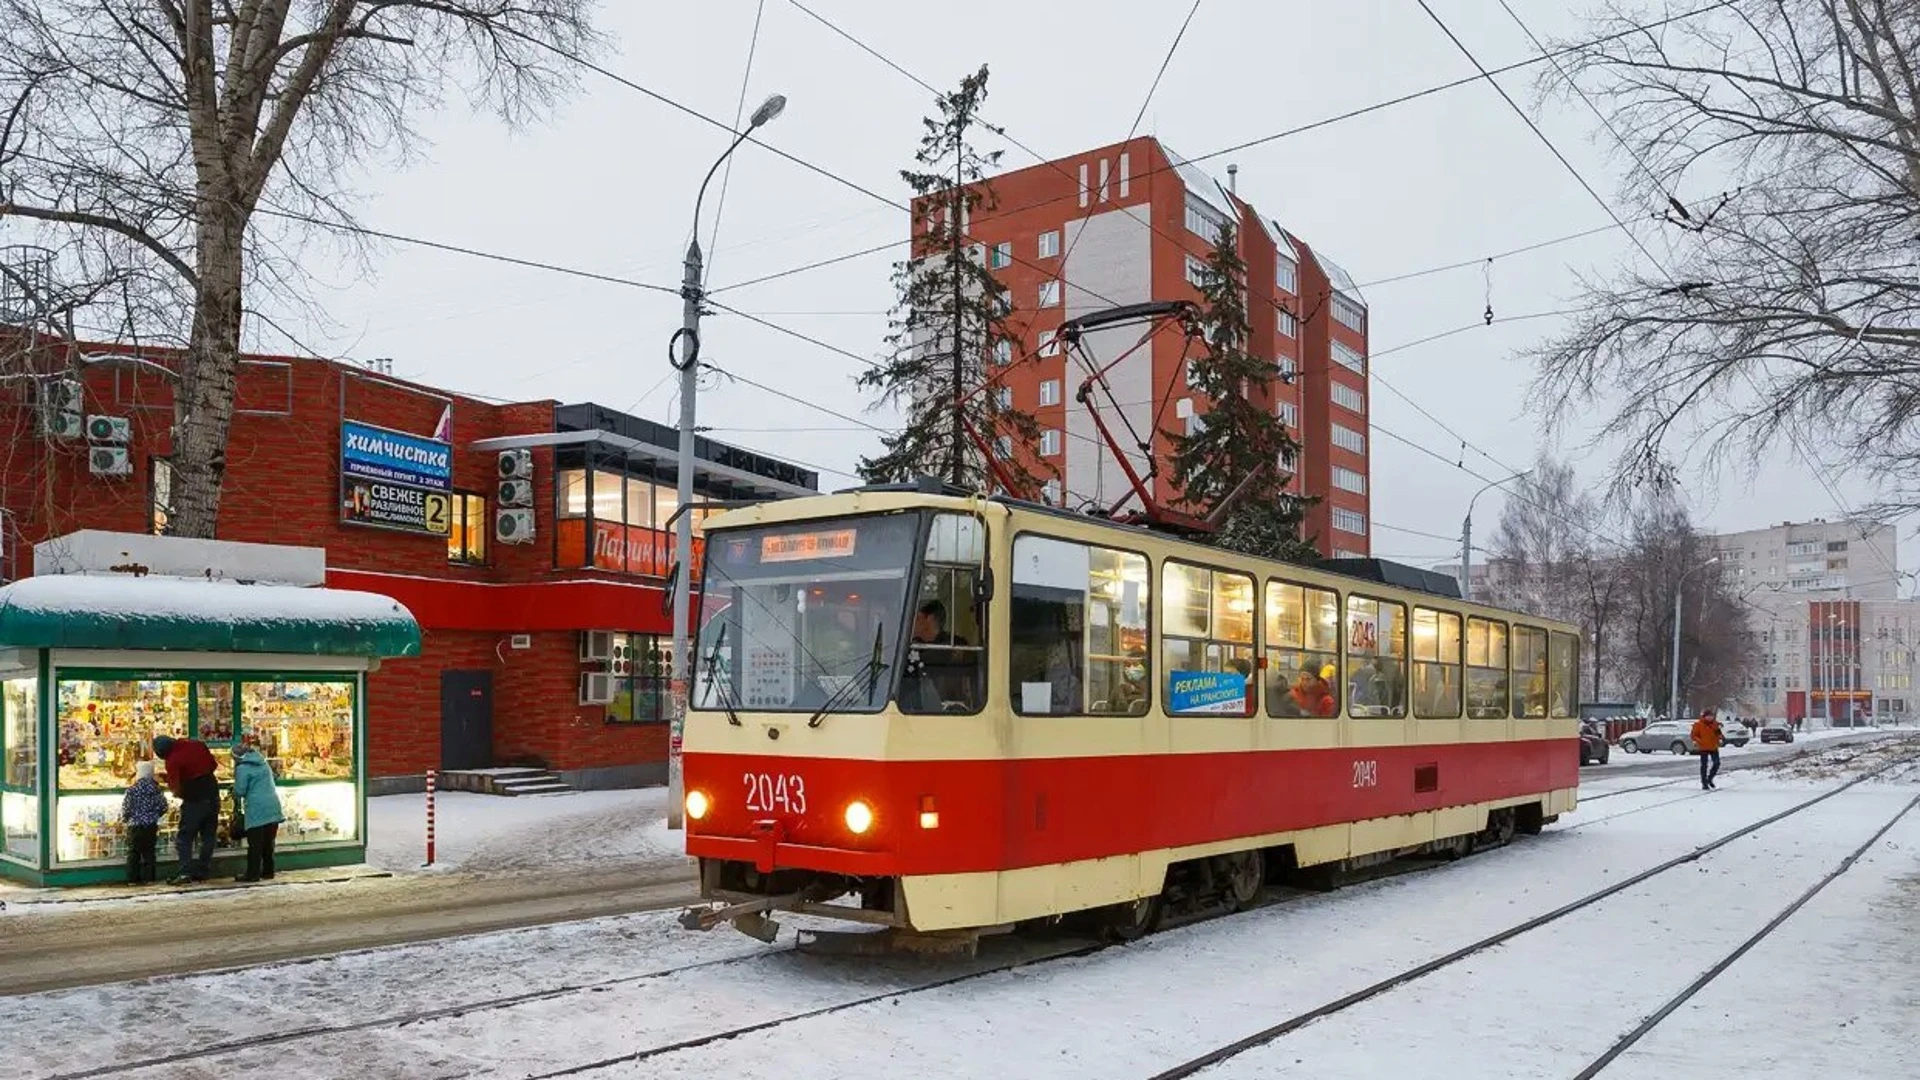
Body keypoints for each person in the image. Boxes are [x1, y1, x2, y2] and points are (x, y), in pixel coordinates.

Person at [151, 734, 219, 883]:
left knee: (185, 837)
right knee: (208, 836)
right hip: (212, 792)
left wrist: (168, 781)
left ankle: (185, 872)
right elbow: (213, 765)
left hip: (194, 799)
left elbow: (175, 788)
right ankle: (203, 871)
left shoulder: (172, 759)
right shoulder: (197, 744)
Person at [231, 737, 285, 882]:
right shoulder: (263, 763)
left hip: (257, 810)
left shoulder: (242, 768)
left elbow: (240, 790)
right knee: (268, 843)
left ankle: (252, 874)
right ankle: (268, 871)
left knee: (255, 844)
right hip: (273, 806)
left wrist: (233, 789)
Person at [120, 760, 168, 885]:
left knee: (133, 853)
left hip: (135, 826)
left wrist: (125, 819)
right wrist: (155, 815)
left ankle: (132, 879)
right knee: (149, 852)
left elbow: (126, 808)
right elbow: (163, 806)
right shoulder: (156, 790)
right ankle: (149, 879)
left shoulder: (132, 790)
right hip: (150, 825)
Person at [1690, 708, 1724, 790]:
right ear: (1704, 717)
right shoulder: (1698, 725)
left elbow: (1719, 734)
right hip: (1704, 747)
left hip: (1713, 746)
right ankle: (1704, 782)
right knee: (1704, 765)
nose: (1710, 718)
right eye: (1708, 716)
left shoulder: (1715, 724)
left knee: (1717, 763)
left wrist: (1720, 738)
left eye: (1711, 716)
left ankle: (1710, 778)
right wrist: (1699, 741)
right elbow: (1693, 735)